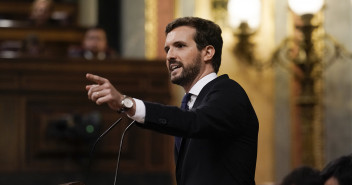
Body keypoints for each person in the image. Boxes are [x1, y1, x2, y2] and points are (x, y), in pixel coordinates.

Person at [85, 17, 259, 185]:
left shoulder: (229, 92)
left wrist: (128, 103)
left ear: (207, 52)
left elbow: (195, 122)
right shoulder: (191, 104)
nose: (170, 56)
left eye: (180, 46)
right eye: (167, 49)